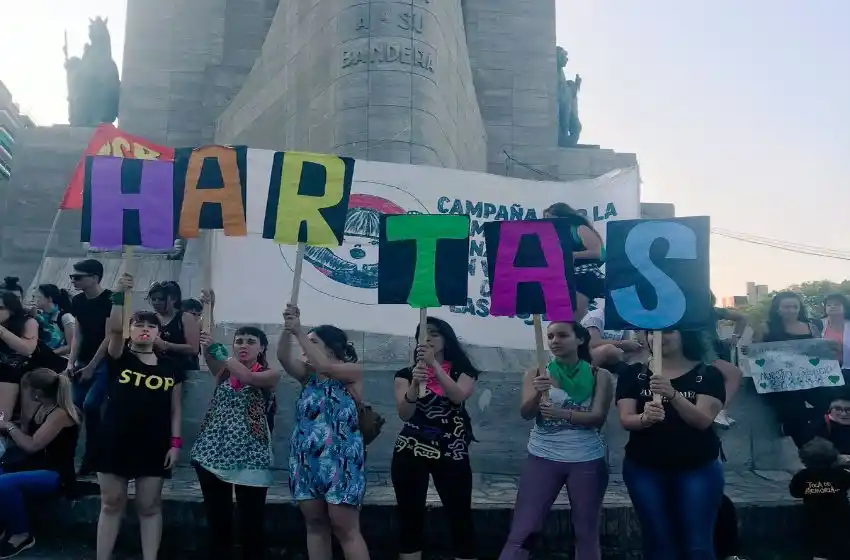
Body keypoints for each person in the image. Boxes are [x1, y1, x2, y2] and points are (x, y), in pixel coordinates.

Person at [500, 321, 613, 560]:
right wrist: (539, 393)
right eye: (550, 336)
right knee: (524, 529)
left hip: (586, 460)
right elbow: (526, 414)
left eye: (562, 335)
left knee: (586, 532)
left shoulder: (599, 376)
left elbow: (598, 417)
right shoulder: (536, 373)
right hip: (542, 457)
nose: (554, 341)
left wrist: (564, 414)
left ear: (580, 339)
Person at [93, 273, 183, 560]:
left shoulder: (170, 368)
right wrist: (120, 294)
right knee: (111, 502)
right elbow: (116, 331)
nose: (145, 329)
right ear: (131, 330)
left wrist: (175, 443)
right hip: (113, 437)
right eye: (139, 324)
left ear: (159, 333)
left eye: (150, 326)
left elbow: (175, 408)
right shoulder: (120, 356)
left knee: (149, 505)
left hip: (153, 441)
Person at [616, 330, 726, 560]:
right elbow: (627, 419)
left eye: (668, 331)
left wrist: (672, 395)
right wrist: (644, 419)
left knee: (697, 545)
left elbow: (702, 421)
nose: (659, 337)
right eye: (651, 332)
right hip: (644, 468)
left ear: (684, 333)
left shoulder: (708, 374)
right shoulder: (634, 374)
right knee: (659, 543)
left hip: (698, 468)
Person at [277, 304, 369, 560]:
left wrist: (299, 332)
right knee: (315, 524)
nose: (306, 347)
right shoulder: (308, 376)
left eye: (313, 342)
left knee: (345, 526)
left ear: (330, 347)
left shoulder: (351, 371)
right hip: (307, 459)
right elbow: (284, 358)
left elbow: (328, 369)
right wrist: (288, 329)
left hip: (341, 459)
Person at [392, 317, 480, 560]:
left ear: (446, 339)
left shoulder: (464, 370)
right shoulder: (405, 374)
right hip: (411, 448)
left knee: (459, 515)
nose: (428, 338)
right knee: (409, 516)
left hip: (452, 449)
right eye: (422, 333)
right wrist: (414, 384)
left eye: (434, 333)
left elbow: (458, 397)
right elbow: (404, 413)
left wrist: (435, 368)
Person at [191, 324, 280, 560]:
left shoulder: (270, 374)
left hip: (251, 456)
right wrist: (207, 341)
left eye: (251, 341)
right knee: (218, 520)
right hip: (213, 453)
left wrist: (224, 356)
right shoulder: (224, 372)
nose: (243, 345)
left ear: (262, 348)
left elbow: (248, 377)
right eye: (239, 340)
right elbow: (211, 358)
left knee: (252, 521)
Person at [0, 368, 80, 558]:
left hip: (55, 472)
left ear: (37, 393)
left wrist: (9, 426)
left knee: (4, 483)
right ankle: (4, 524)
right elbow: (26, 435)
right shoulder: (41, 407)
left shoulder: (60, 414)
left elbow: (32, 445)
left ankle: (22, 534)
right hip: (34, 465)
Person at [755, 291, 828, 448]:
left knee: (829, 402)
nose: (791, 310)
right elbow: (754, 356)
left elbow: (819, 352)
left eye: (795, 306)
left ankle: (789, 428)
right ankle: (811, 455)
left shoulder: (811, 327)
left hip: (809, 378)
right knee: (796, 414)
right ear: (777, 309)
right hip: (780, 382)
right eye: (786, 306)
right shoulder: (765, 328)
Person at [66, 259, 113, 475]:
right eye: (72, 277)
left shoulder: (110, 300)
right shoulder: (77, 301)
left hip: (105, 361)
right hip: (82, 361)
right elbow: (78, 334)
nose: (73, 280)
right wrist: (71, 362)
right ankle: (67, 460)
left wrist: (93, 366)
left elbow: (110, 336)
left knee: (92, 405)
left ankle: (93, 459)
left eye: (78, 277)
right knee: (73, 409)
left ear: (94, 278)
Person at [790, 437, 850, 560]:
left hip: (813, 518)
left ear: (804, 460)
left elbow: (795, 492)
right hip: (841, 518)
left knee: (818, 549)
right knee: (842, 548)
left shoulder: (802, 476)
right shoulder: (841, 473)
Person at [543, 203, 605, 321]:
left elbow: (597, 252)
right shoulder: (554, 236)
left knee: (575, 317)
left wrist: (572, 255)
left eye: (551, 217)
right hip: (564, 278)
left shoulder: (579, 228)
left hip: (583, 276)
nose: (548, 221)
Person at [0, 292, 39, 423]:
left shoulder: (29, 322)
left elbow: (27, 349)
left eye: (0, 308)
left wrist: (1, 331)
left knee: (2, 418)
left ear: (11, 309)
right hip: (6, 370)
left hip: (22, 373)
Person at [147, 281, 200, 375]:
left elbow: (194, 349)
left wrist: (165, 345)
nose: (156, 302)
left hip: (184, 370)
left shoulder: (186, 318)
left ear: (174, 299)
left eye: (161, 299)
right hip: (158, 369)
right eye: (153, 299)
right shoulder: (151, 318)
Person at [580, 304, 641, 374]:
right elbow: (592, 342)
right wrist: (622, 344)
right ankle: (584, 374)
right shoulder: (596, 317)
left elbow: (627, 345)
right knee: (609, 350)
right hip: (586, 355)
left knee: (638, 353)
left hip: (612, 359)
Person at [33, 284, 76, 356]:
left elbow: (71, 346)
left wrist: (49, 355)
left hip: (57, 360)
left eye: (38, 297)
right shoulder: (40, 316)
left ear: (49, 299)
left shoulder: (65, 317)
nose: (35, 299)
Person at [822, 293, 850, 384]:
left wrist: (841, 347)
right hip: (824, 370)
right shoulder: (818, 325)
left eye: (837, 304)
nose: (832, 307)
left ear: (845, 307)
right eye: (829, 305)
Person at [810, 393, 850, 457]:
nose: (843, 414)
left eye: (849, 409)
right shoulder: (820, 426)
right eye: (837, 409)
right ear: (829, 410)